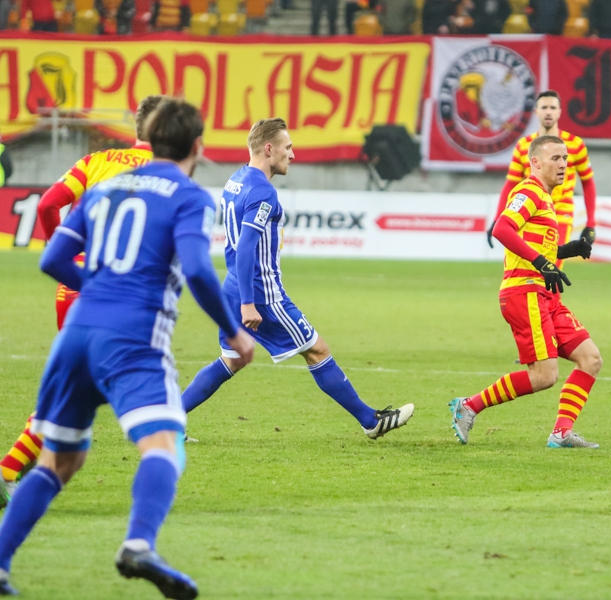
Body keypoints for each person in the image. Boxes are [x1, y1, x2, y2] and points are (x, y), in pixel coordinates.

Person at [0, 98, 255, 599]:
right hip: (133, 338)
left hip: (76, 333)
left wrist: (96, 287)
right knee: (164, 444)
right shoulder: (189, 196)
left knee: (58, 462)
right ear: (197, 147)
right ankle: (139, 543)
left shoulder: (104, 186)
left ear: (149, 139)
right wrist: (234, 331)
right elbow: (198, 269)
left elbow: (53, 258)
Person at [180, 118, 414, 440]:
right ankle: (370, 421)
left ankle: (168, 420)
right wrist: (249, 303)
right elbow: (246, 247)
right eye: (287, 147)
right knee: (317, 350)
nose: (293, 154)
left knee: (231, 361)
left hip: (232, 286)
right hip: (261, 294)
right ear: (269, 149)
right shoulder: (263, 191)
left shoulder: (237, 179)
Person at [0, 96, 163, 507]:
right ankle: (8, 471)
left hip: (72, 285)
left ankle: (18, 471)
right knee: (81, 393)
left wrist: (64, 250)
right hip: (115, 293)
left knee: (76, 390)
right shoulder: (165, 176)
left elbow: (49, 204)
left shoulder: (96, 161)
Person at [451, 136, 602, 449]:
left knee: (590, 358)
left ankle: (561, 433)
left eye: (565, 158)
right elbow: (502, 228)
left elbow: (537, 246)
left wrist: (566, 249)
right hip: (525, 292)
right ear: (535, 162)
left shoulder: (546, 197)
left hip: (546, 294)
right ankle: (469, 406)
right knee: (544, 376)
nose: (563, 165)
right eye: (555, 158)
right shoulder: (528, 191)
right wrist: (542, 263)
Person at [487, 90, 597, 269]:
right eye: (544, 107)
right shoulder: (524, 146)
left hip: (560, 212)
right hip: (531, 213)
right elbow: (511, 183)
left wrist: (590, 223)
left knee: (551, 265)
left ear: (559, 112)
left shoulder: (575, 144)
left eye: (552, 108)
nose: (548, 112)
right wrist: (498, 217)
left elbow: (588, 182)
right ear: (536, 112)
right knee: (531, 264)